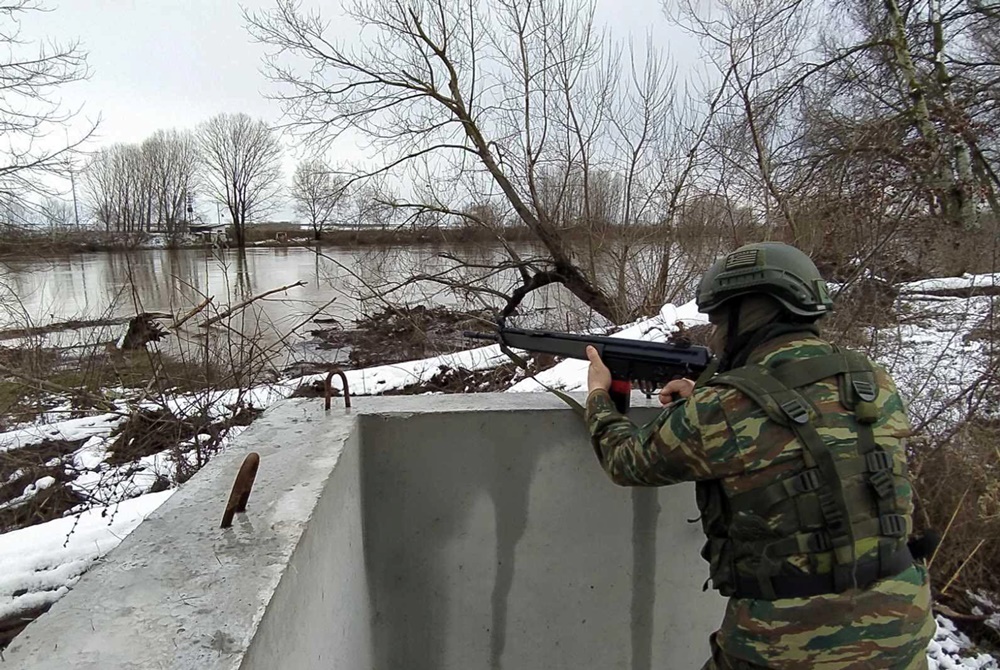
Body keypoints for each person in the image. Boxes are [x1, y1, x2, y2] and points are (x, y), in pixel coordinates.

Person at [583, 242, 935, 669]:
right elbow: (800, 428)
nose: (715, 333)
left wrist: (599, 395)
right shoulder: (871, 378)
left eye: (719, 321)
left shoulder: (724, 406)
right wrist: (706, 402)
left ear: (746, 315)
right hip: (903, 622)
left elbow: (626, 461)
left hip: (790, 641)